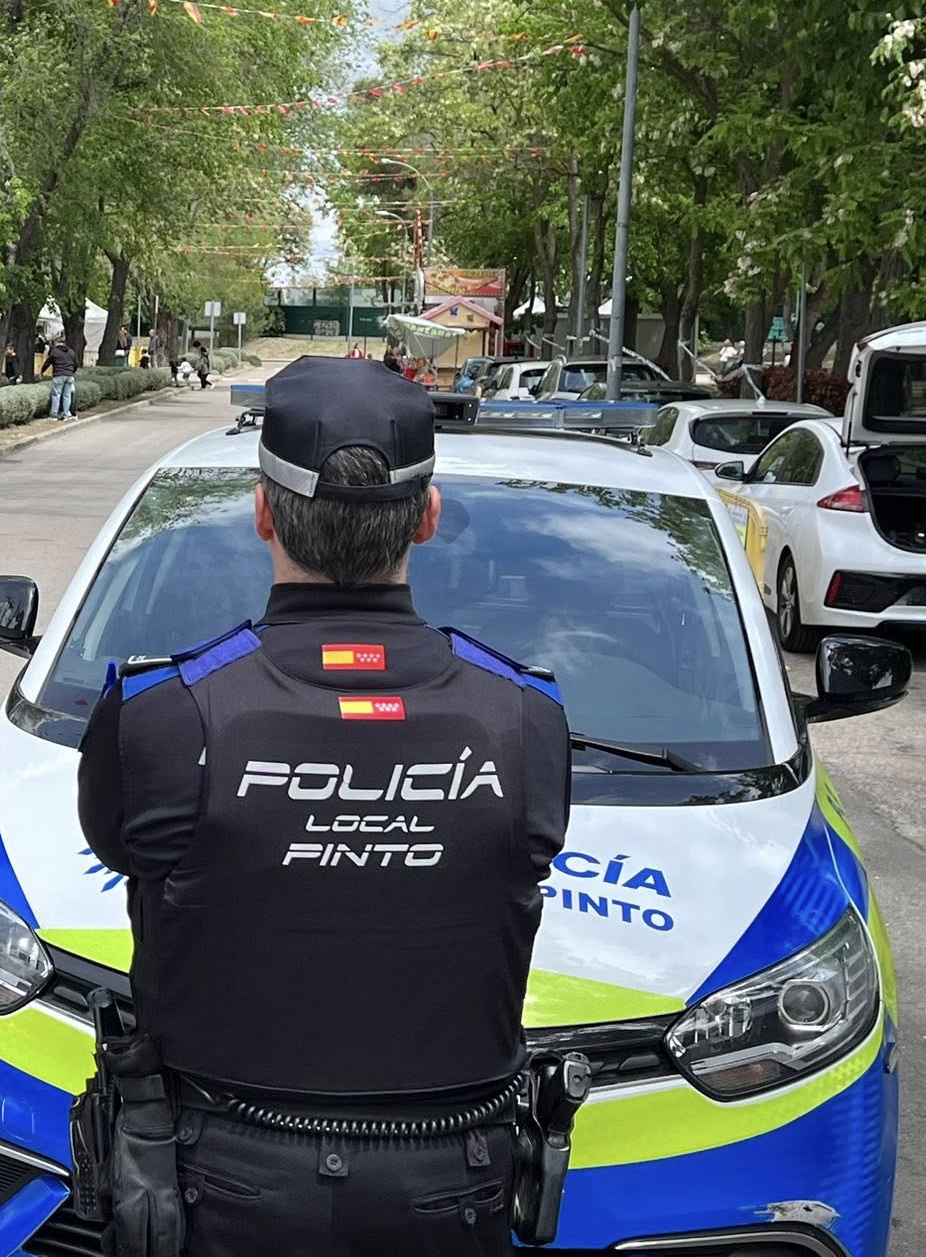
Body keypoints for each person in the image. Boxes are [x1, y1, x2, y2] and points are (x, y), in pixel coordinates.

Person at [77, 357, 571, 1257]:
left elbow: (119, 847)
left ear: (263, 511)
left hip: (216, 1176)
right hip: (450, 1180)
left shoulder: (159, 714)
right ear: (428, 518)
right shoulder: (525, 716)